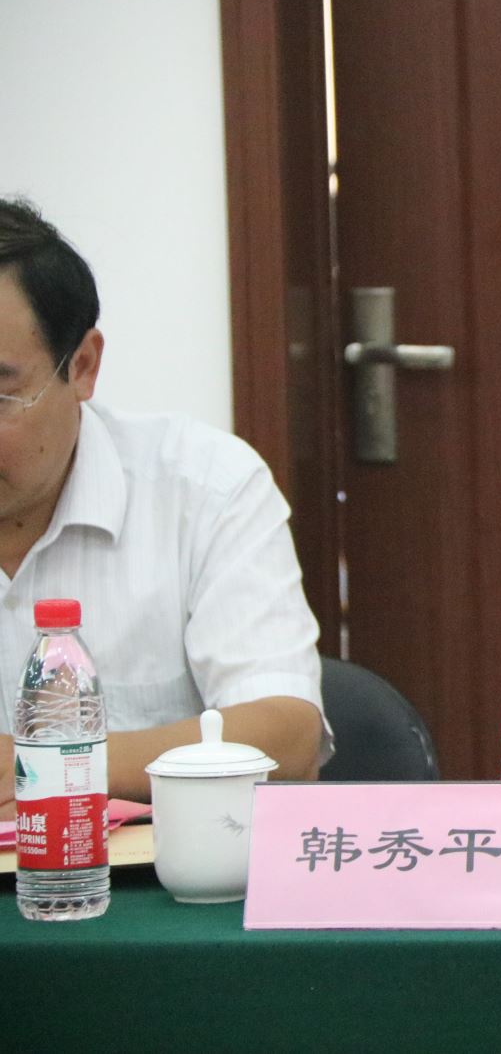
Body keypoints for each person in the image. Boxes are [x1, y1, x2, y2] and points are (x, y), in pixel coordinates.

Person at [0, 198, 326, 819]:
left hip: (154, 872)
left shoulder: (204, 489)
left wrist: (50, 766)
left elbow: (287, 736)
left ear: (83, 366)